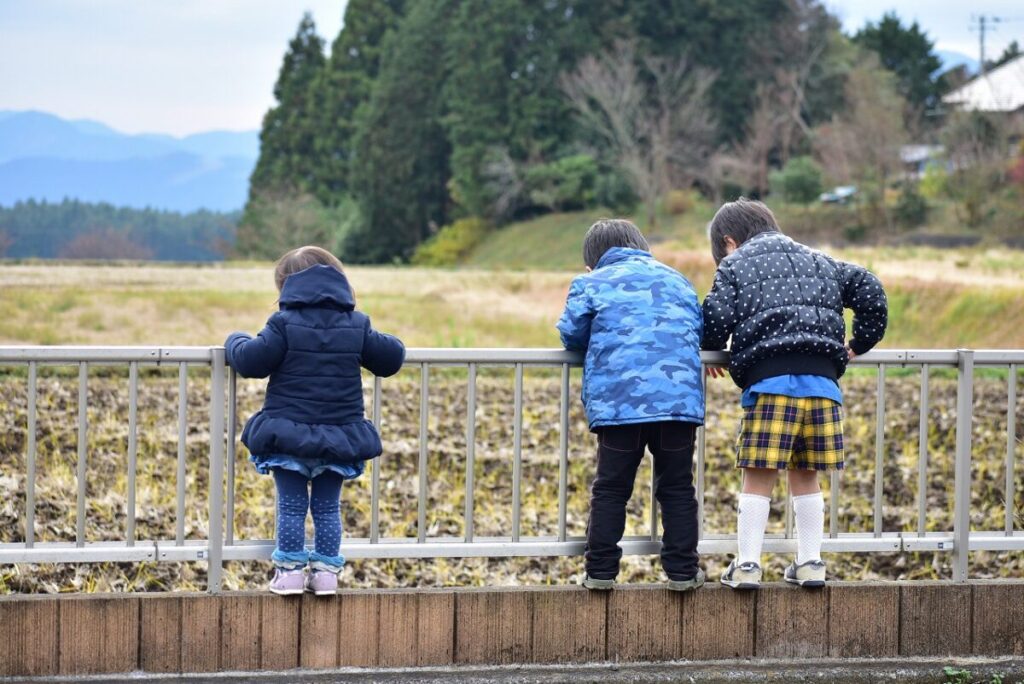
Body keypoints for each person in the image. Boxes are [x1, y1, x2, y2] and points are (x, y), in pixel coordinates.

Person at [701, 198, 887, 589]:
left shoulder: (736, 264)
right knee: (807, 475)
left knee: (759, 475)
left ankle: (748, 565)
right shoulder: (821, 260)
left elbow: (715, 315)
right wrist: (858, 343)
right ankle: (810, 563)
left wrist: (712, 348)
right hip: (822, 385)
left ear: (729, 243)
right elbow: (871, 289)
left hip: (770, 381)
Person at [225, 246, 405, 595]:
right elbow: (391, 358)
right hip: (339, 437)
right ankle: (325, 576)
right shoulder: (357, 324)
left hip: (289, 435)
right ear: (340, 283)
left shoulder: (282, 323)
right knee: (327, 508)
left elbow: (251, 362)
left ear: (286, 287)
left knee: (291, 506)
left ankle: (290, 573)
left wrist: (235, 340)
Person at [557, 219, 705, 591]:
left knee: (611, 487)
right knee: (677, 487)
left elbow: (571, 333)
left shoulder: (590, 283)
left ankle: (601, 573)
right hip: (678, 402)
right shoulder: (678, 279)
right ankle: (683, 573)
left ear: (593, 262)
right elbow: (696, 329)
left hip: (621, 404)